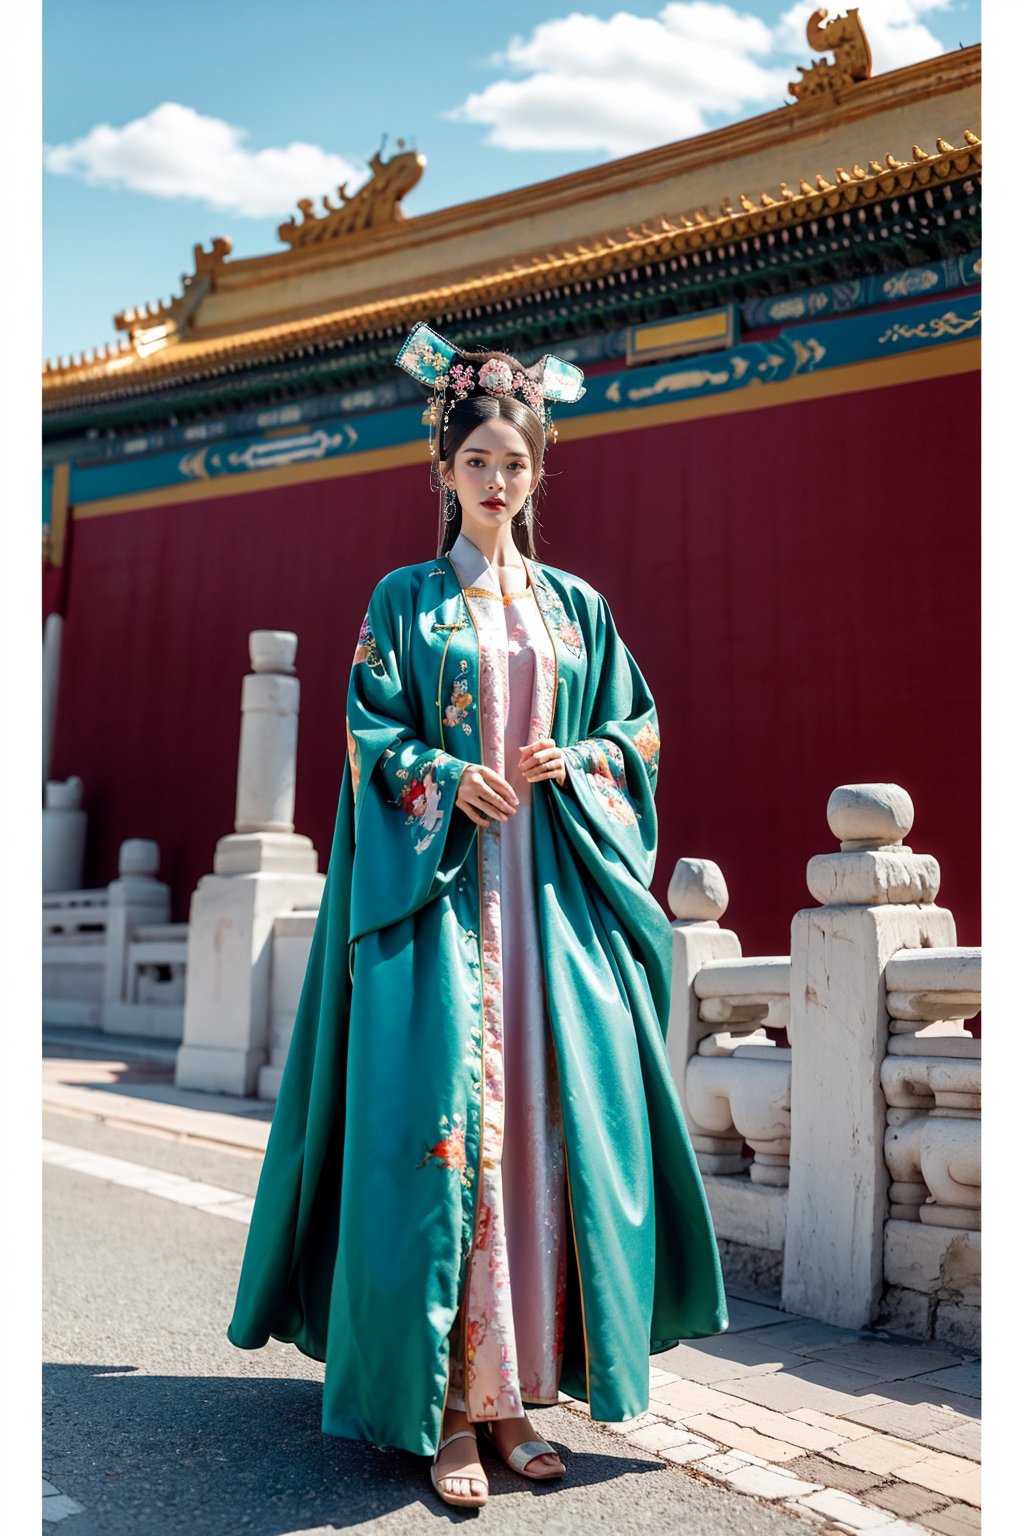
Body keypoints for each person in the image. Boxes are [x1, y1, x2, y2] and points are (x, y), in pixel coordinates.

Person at [227, 321, 728, 1510]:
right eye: (477, 463)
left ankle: (513, 1400)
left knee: (549, 1137)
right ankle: (447, 1411)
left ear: (538, 471)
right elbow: (369, 734)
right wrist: (449, 779)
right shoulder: (405, 601)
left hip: (550, 906)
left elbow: (641, 732)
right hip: (443, 907)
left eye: (515, 462)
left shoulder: (574, 610)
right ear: (443, 473)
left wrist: (582, 755)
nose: (497, 481)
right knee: (446, 1141)